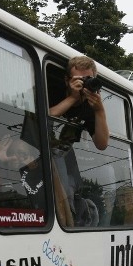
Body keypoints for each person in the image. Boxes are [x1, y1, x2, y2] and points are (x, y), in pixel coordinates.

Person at [47, 56, 109, 226]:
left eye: (89, 79)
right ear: (67, 80)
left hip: (65, 155)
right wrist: (72, 98)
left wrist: (99, 110)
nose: (84, 84)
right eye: (79, 80)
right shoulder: (52, 91)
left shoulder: (90, 105)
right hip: (45, 154)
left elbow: (102, 144)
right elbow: (45, 117)